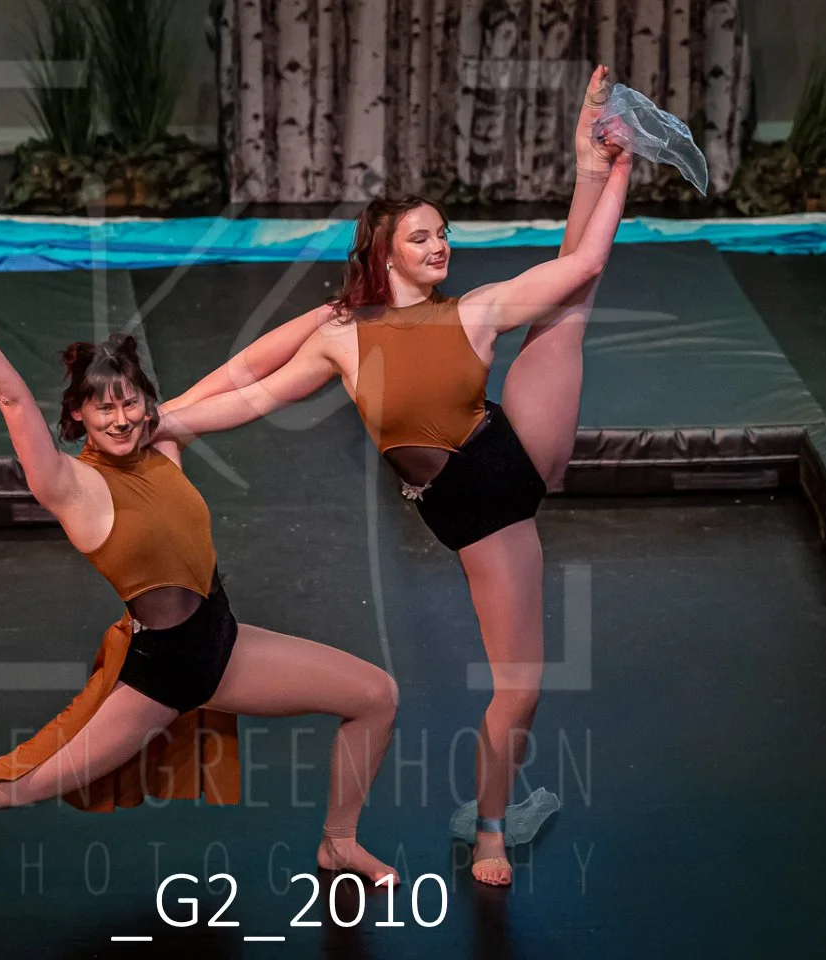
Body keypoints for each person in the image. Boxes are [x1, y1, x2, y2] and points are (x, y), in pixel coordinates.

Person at [0, 243, 401, 898]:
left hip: (223, 645)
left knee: (375, 696)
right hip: (161, 674)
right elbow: (10, 397)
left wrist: (339, 310)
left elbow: (247, 371)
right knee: (13, 784)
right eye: (103, 409)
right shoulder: (72, 487)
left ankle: (338, 841)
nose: (121, 419)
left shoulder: (162, 439)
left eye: (130, 403)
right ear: (78, 416)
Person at [154, 67, 631, 886]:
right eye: (420, 237)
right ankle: (485, 822)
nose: (439, 245)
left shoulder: (474, 311)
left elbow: (586, 259)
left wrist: (613, 166)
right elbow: (257, 392)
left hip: (511, 461)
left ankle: (490, 830)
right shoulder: (342, 333)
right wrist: (164, 423)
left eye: (443, 233)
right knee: (520, 690)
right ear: (383, 251)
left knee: (571, 307)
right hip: (472, 511)